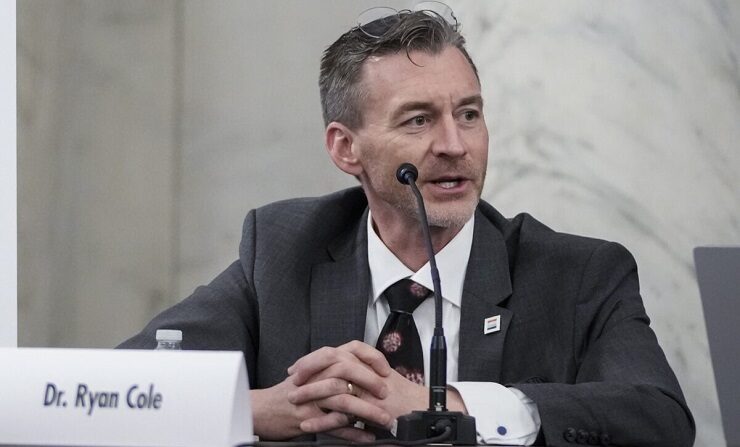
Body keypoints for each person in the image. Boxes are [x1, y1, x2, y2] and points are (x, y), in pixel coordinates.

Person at [120, 7, 695, 446]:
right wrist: (258, 409)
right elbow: (125, 392)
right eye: (419, 120)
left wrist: (444, 407)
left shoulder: (577, 275)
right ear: (346, 149)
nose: (454, 145)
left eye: (468, 114)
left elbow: (659, 417)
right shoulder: (283, 249)